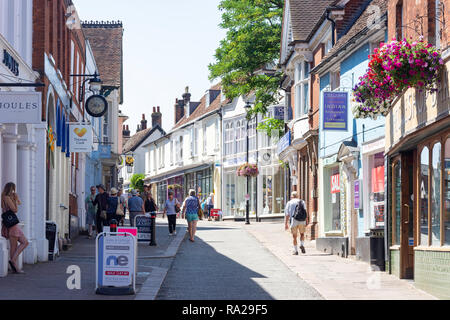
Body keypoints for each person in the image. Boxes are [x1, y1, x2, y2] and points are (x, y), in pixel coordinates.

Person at [1, 182, 29, 274]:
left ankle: (13, 262)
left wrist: (16, 199)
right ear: (11, 189)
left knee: (24, 243)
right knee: (17, 245)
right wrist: (15, 200)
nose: (14, 191)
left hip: (11, 224)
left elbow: (19, 203)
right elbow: (15, 209)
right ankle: (14, 265)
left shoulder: (5, 197)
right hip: (12, 225)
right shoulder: (6, 198)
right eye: (13, 189)